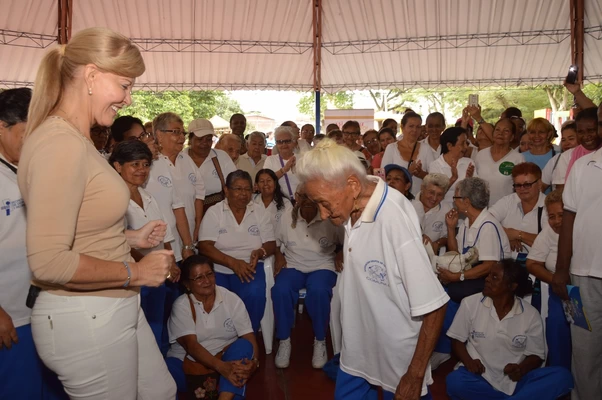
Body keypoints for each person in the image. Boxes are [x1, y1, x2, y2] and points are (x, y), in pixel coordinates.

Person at [17, 27, 176, 398]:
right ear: (91, 75)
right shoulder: (61, 144)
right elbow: (48, 261)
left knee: (160, 391)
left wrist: (130, 238)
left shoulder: (76, 138)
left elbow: (74, 227)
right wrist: (136, 270)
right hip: (86, 316)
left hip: (108, 307)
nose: (127, 98)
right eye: (124, 85)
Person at [297, 139, 448, 400]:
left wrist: (414, 374)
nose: (322, 215)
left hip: (397, 359)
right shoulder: (353, 198)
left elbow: (435, 306)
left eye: (324, 203)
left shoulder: (393, 220)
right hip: (357, 347)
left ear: (353, 186)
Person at [0, 87, 66, 399]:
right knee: (19, 388)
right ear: (2, 126)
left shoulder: (37, 168)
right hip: (9, 314)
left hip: (47, 306)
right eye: (28, 133)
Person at [445, 259, 574, 400]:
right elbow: (456, 339)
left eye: (495, 277)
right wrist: (469, 362)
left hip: (514, 383)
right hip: (479, 377)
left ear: (512, 286)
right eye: (488, 275)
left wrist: (521, 369)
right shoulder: (470, 303)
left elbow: (535, 355)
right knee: (455, 381)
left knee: (562, 376)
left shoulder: (530, 315)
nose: (487, 280)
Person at [111, 140, 181, 349]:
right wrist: (151, 264)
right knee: (140, 335)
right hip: (133, 278)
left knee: (157, 328)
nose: (142, 170)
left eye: (145, 164)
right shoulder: (113, 200)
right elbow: (118, 240)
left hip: (158, 274)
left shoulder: (148, 196)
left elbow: (164, 233)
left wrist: (172, 261)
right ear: (117, 166)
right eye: (135, 164)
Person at [552, 125, 602, 399]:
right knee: (585, 350)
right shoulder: (583, 166)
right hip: (583, 275)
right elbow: (568, 218)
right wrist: (561, 269)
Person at [167, 255, 259, 399]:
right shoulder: (181, 306)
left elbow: (248, 335)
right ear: (187, 284)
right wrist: (222, 368)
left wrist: (254, 362)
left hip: (223, 362)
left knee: (243, 347)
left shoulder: (230, 299)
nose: (207, 281)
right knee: (161, 375)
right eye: (198, 278)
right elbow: (191, 346)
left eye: (209, 274)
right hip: (188, 366)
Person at [272, 188, 343, 369]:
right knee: (280, 290)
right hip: (293, 264)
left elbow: (346, 240)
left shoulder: (329, 216)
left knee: (319, 291)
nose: (308, 200)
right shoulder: (287, 216)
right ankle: (284, 340)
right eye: (303, 196)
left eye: (312, 196)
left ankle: (320, 340)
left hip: (322, 265)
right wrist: (278, 256)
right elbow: (275, 242)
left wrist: (341, 253)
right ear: (297, 198)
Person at [198, 170, 277, 333]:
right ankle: (222, 338)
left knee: (255, 294)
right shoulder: (215, 212)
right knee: (214, 299)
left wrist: (260, 252)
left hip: (250, 268)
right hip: (219, 269)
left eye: (247, 189)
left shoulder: (259, 211)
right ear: (226, 190)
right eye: (238, 189)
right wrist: (232, 263)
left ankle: (248, 334)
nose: (243, 194)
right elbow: (204, 246)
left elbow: (270, 244)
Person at [525, 190, 571, 369]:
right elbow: (532, 264)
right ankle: (560, 375)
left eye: (561, 215)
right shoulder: (548, 233)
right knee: (556, 325)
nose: (557, 221)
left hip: (585, 288)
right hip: (558, 290)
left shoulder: (585, 230)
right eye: (552, 217)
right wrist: (556, 281)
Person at [154, 112, 206, 243]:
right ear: (160, 135)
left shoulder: (186, 159)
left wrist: (198, 225)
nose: (182, 137)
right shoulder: (150, 163)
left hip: (189, 237)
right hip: (161, 241)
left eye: (183, 133)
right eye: (176, 132)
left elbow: (199, 194)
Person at [488, 163, 547, 259]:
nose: (522, 189)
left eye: (527, 185)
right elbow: (486, 222)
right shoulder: (508, 200)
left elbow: (547, 243)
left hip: (536, 264)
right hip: (507, 262)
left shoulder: (548, 206)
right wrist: (506, 238)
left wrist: (517, 235)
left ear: (539, 184)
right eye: (518, 185)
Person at [186, 118, 237, 210]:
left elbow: (235, 184)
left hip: (217, 215)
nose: (204, 143)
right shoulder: (180, 159)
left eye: (209, 139)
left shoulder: (221, 157)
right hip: (186, 212)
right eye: (200, 139)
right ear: (190, 139)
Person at [382, 112, 435, 197]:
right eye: (411, 126)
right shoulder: (391, 148)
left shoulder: (426, 148)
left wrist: (421, 174)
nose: (414, 130)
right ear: (403, 127)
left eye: (418, 127)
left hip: (420, 200)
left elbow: (434, 178)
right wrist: (408, 173)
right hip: (396, 198)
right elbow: (382, 176)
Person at [475, 118, 525, 205]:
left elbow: (521, 188)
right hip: (482, 209)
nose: (500, 133)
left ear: (512, 137)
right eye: (497, 130)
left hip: (507, 211)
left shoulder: (518, 158)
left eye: (506, 131)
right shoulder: (481, 155)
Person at [551, 107, 601, 190]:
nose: (586, 136)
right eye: (580, 132)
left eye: (591, 130)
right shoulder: (573, 155)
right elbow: (567, 189)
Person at [428, 127, 476, 207]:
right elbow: (435, 194)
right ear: (449, 146)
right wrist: (453, 178)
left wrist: (468, 180)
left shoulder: (469, 163)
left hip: (464, 212)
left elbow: (475, 192)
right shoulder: (435, 166)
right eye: (462, 143)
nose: (466, 147)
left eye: (466, 143)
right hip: (441, 212)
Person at [412, 173, 452, 255]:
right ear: (422, 188)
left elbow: (446, 237)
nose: (434, 198)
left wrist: (437, 243)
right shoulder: (409, 203)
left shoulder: (446, 209)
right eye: (431, 192)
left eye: (439, 194)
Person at [263, 126, 300, 200]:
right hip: (279, 204)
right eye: (280, 142)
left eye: (287, 141)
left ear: (293, 142)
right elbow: (266, 180)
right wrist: (284, 170)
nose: (284, 145)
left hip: (300, 203)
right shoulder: (270, 160)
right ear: (276, 144)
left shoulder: (302, 159)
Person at [541, 122, 578, 192]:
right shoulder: (556, 160)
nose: (567, 143)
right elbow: (542, 185)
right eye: (563, 140)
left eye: (571, 139)